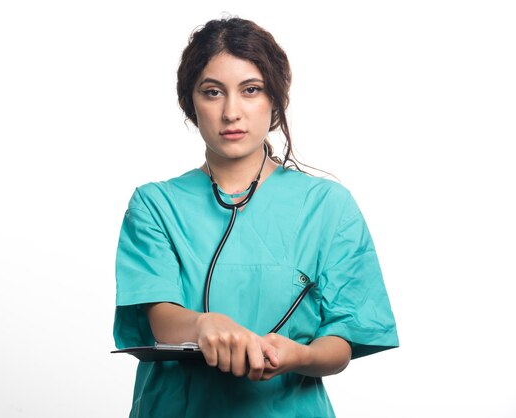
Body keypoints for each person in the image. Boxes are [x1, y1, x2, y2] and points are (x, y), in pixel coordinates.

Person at [112, 16, 399, 418]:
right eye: (212, 92)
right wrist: (204, 326)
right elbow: (162, 321)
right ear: (190, 103)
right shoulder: (155, 204)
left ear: (275, 100)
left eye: (251, 90)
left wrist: (299, 355)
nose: (232, 112)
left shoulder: (328, 206)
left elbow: (344, 338)